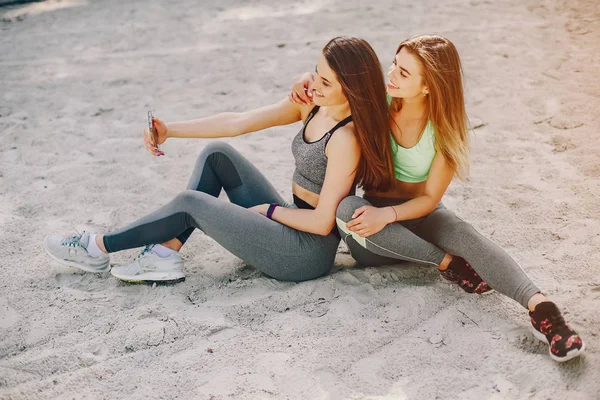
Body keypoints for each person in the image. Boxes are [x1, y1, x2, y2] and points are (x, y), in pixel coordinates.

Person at [289, 34, 585, 362]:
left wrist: (391, 214)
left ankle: (545, 312)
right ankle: (449, 264)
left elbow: (429, 199)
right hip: (374, 233)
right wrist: (306, 80)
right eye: (394, 64)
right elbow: (342, 80)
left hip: (419, 214)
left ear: (428, 86)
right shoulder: (377, 103)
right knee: (347, 209)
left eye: (403, 73)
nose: (390, 75)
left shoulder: (444, 130)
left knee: (465, 234)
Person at [43, 36, 393, 285]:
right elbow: (237, 122)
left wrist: (266, 212)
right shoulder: (312, 104)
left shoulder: (346, 140)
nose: (313, 84)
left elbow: (320, 223)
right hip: (290, 219)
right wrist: (170, 130)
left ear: (352, 89)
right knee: (217, 155)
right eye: (315, 72)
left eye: (325, 82)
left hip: (305, 252)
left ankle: (96, 247)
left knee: (190, 202)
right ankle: (165, 254)